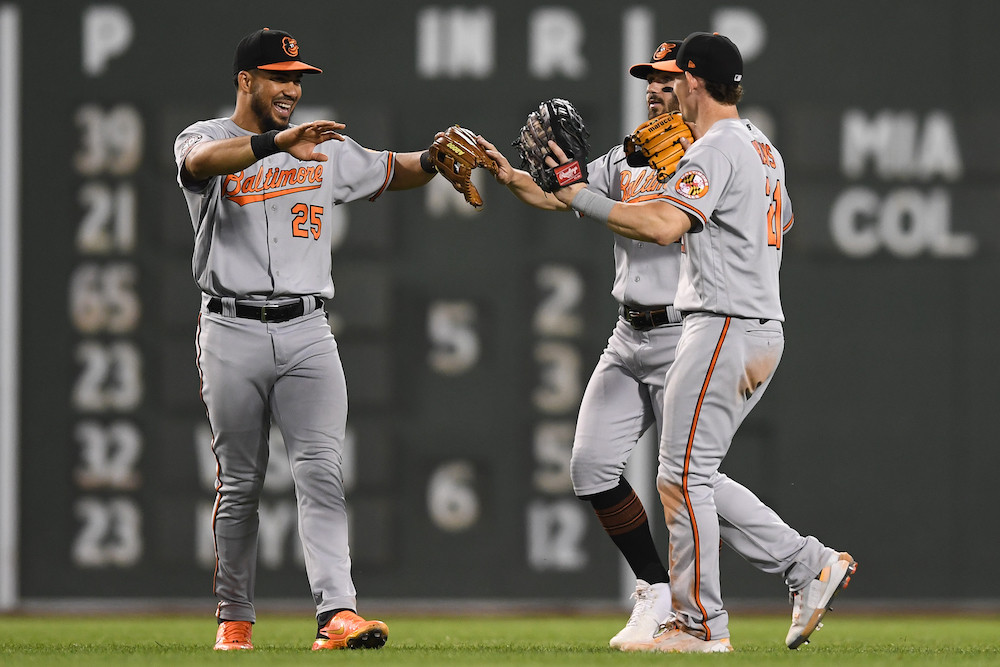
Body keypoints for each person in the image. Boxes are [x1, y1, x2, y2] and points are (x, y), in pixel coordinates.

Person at [478, 35, 855, 653]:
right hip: (714, 323)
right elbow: (779, 220)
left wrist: (675, 187)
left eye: (672, 76)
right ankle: (800, 568)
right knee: (680, 474)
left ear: (694, 82)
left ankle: (702, 621)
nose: (662, 87)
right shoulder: (758, 146)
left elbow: (661, 225)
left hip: (717, 322)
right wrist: (510, 173)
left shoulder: (713, 148)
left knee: (683, 476)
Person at [173, 27, 443, 651]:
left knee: (321, 471)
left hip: (308, 331)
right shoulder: (206, 136)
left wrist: (431, 160)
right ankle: (234, 618)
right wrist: (274, 143)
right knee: (240, 483)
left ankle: (337, 614)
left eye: (297, 79)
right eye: (279, 77)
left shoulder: (319, 145)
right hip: (230, 327)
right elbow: (198, 166)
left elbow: (387, 170)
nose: (292, 88)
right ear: (246, 81)